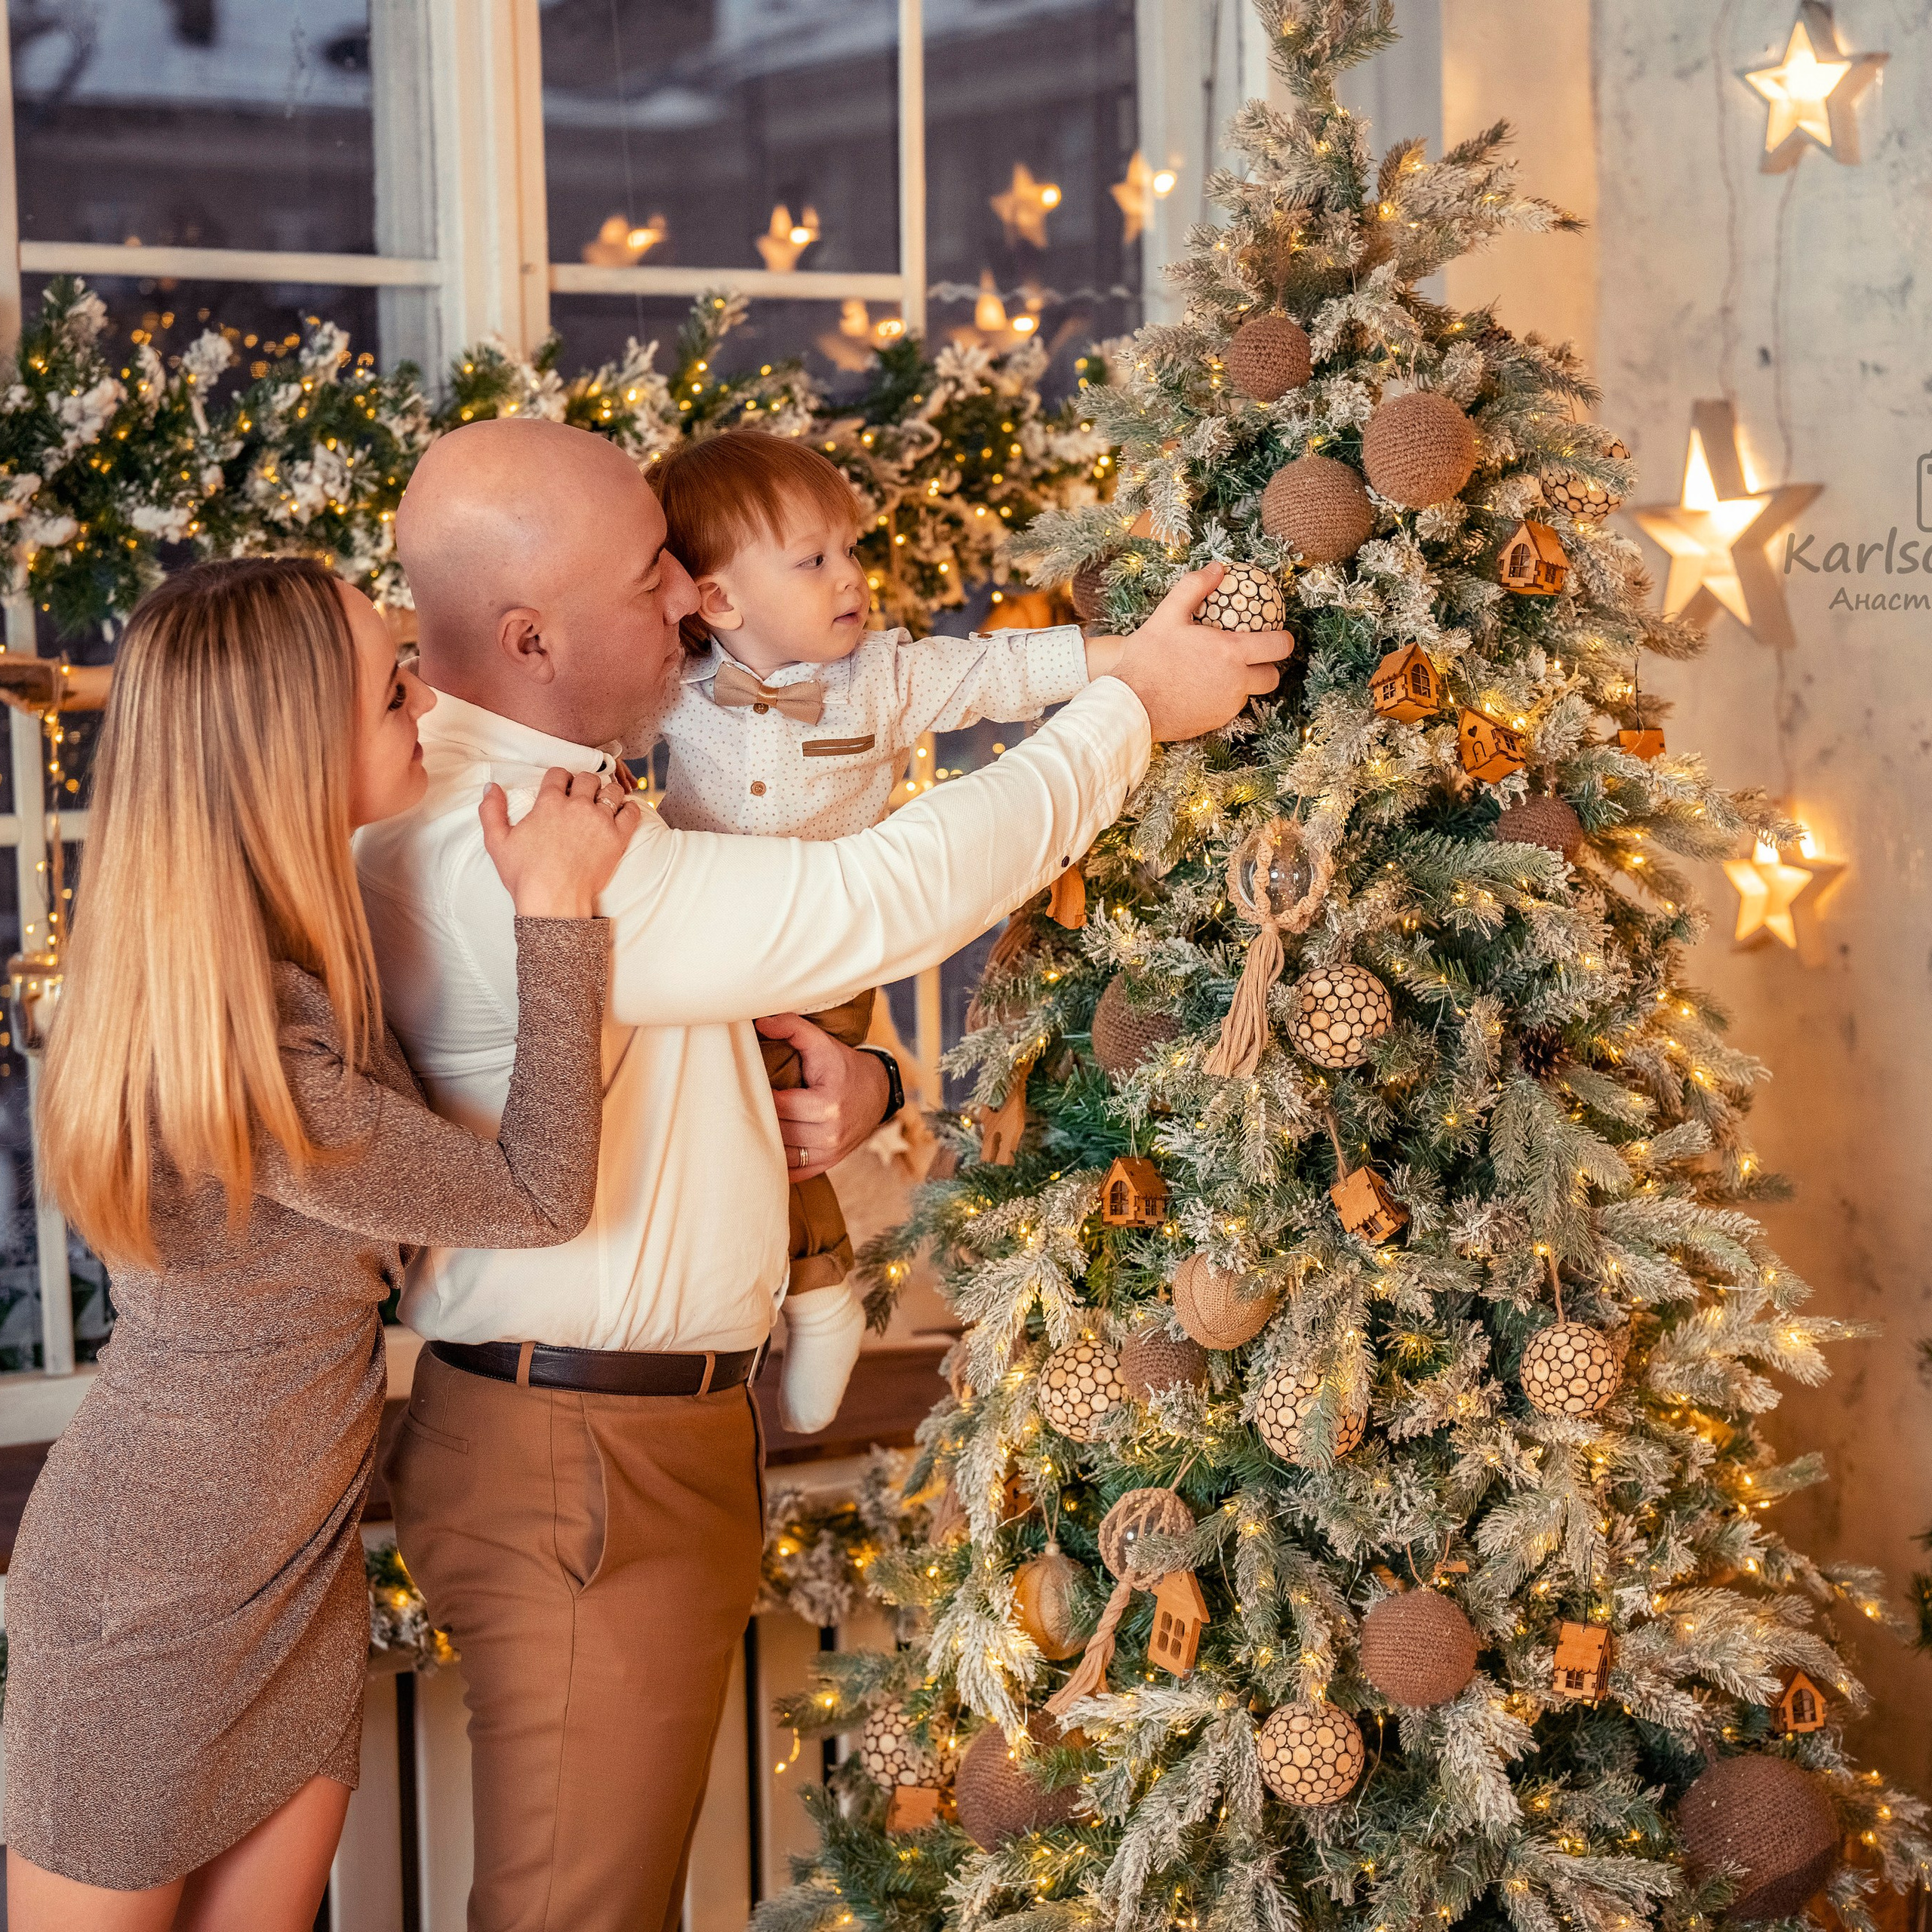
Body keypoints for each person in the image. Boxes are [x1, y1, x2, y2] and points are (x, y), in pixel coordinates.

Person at [357, 414, 1290, 1932]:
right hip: (578, 1448)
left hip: (629, 1430)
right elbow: (870, 897)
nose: (686, 595)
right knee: (574, 1911)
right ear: (527, 633)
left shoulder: (574, 798)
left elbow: (708, 1013)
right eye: (649, 572)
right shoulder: (498, 834)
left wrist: (857, 1086)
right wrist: (1130, 705)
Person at [3, 556, 638, 1932]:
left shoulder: (276, 961)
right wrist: (556, 914)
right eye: (391, 684)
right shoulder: (249, 1043)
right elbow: (537, 1195)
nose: (427, 700)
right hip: (148, 1595)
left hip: (293, 1571)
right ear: (289, 750)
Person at [651, 426, 1128, 1432]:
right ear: (721, 601)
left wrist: (1125, 663)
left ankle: (818, 1299)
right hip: (703, 956)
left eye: (851, 551)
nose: (850, 579)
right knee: (709, 1114)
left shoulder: (879, 676)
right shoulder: (664, 694)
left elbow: (997, 673)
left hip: (819, 967)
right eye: (814, 560)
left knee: (774, 1103)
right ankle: (809, 1291)